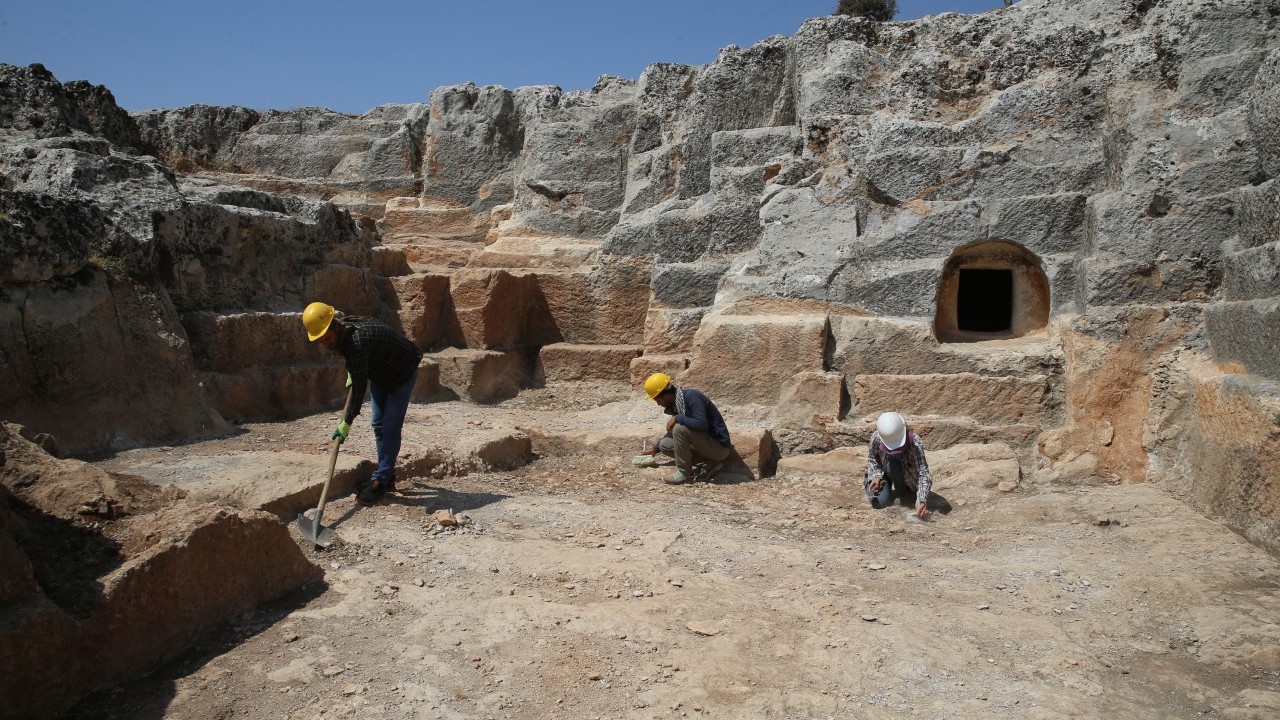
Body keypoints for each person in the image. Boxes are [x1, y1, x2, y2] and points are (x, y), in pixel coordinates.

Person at [302, 302, 422, 504]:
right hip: (381, 369)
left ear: (336, 327)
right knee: (378, 423)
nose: (325, 343)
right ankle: (386, 473)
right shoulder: (347, 327)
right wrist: (353, 371)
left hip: (402, 370)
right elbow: (361, 358)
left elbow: (358, 392)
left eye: (327, 338)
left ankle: (381, 480)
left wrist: (346, 422)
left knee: (390, 426)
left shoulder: (356, 343)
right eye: (321, 341)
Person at [638, 372, 732, 485]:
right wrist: (655, 449)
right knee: (664, 445)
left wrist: (678, 418)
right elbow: (672, 432)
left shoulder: (692, 396)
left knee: (679, 428)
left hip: (719, 449)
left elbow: (702, 424)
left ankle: (683, 473)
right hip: (705, 445)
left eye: (658, 401)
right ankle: (708, 464)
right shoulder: (678, 403)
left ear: (666, 396)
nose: (659, 404)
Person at [865, 411, 950, 518]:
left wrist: (922, 499)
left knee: (893, 467)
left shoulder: (915, 444)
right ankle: (879, 486)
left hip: (904, 475)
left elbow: (923, 473)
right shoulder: (877, 438)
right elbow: (873, 459)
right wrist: (876, 476)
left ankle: (903, 492)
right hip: (884, 473)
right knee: (879, 502)